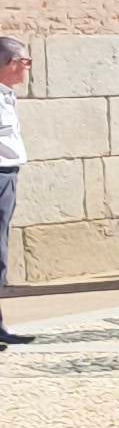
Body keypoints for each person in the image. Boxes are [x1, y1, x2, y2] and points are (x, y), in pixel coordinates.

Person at [0, 33, 27, 350]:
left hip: (8, 173)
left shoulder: (7, 94)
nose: (27, 68)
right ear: (11, 64)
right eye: (25, 61)